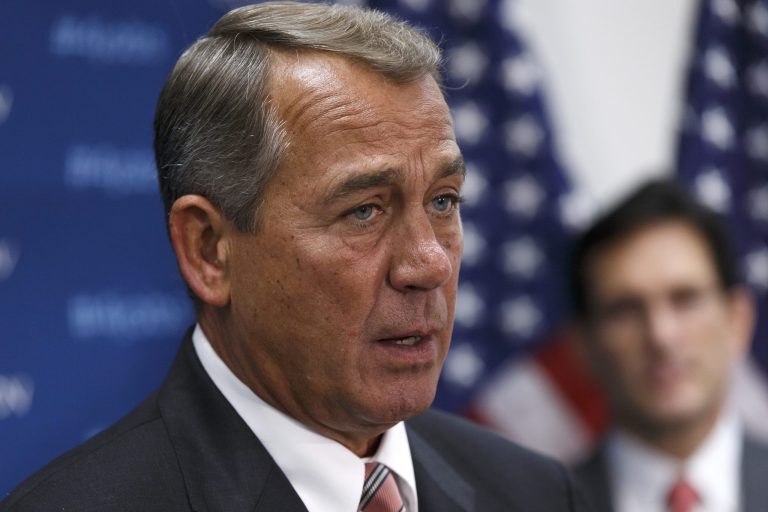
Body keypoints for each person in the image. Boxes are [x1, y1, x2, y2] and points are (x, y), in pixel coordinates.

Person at [1, 3, 589, 511]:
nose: (429, 264)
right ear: (209, 250)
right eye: (365, 210)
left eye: (443, 200)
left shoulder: (534, 494)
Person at [568, 179, 768, 512]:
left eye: (685, 299)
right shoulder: (538, 503)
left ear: (738, 321)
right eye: (626, 309)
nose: (661, 335)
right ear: (585, 344)